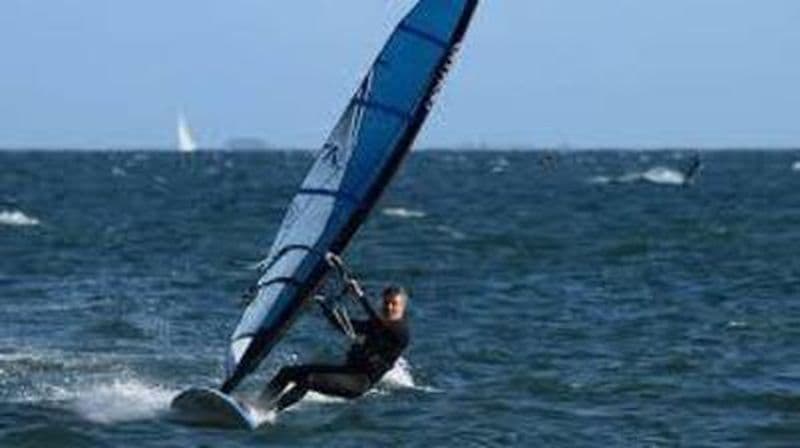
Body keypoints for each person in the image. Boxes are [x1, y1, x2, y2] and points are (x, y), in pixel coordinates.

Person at [258, 283, 410, 412]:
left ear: (402, 308)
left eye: (394, 304)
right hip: (346, 371)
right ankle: (259, 405)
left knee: (308, 380)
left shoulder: (400, 333)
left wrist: (360, 297)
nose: (389, 307)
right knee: (287, 372)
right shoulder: (376, 325)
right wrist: (324, 304)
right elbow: (342, 325)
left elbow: (377, 356)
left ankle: (270, 412)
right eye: (386, 303)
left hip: (359, 382)